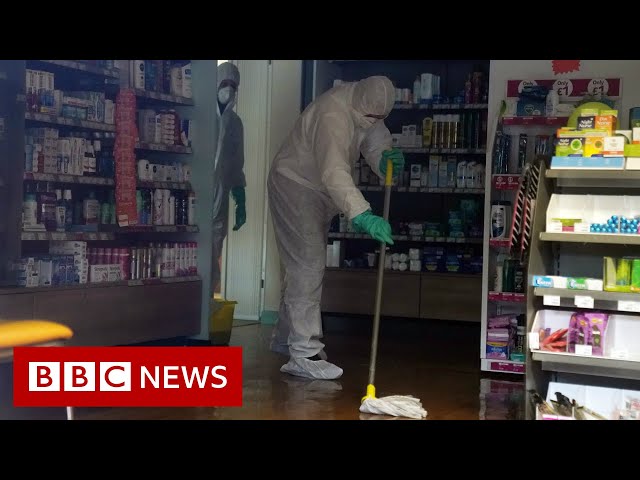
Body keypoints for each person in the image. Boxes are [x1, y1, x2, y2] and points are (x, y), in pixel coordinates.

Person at [267, 75, 405, 380]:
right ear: (360, 107)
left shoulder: (365, 105)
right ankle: (304, 352)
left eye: (380, 118)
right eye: (371, 117)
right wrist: (363, 214)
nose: (374, 122)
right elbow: (335, 172)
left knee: (302, 267)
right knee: (308, 265)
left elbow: (374, 137)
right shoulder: (332, 115)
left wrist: (383, 159)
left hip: (318, 190)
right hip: (296, 185)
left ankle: (285, 339)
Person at [211, 62, 247, 294]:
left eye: (233, 86)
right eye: (225, 83)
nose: (229, 89)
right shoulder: (202, 114)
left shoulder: (235, 123)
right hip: (196, 193)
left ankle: (206, 306)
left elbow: (237, 163)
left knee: (214, 251)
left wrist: (240, 198)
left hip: (220, 196)